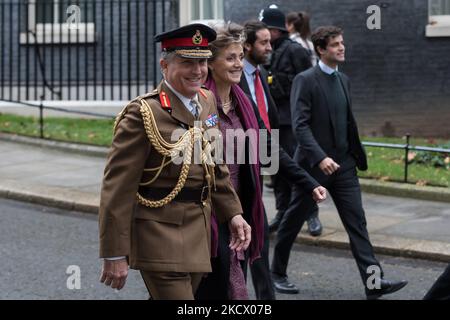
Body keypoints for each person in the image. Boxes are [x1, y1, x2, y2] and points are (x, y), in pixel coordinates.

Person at [97, 23, 252, 300]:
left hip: (198, 234)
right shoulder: (143, 114)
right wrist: (114, 252)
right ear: (164, 65)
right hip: (160, 235)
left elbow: (215, 166)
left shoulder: (205, 101)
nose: (198, 71)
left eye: (203, 62)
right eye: (187, 62)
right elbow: (117, 189)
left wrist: (233, 213)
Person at [271, 25, 408, 299]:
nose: (342, 47)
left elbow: (345, 122)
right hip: (313, 169)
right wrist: (320, 157)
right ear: (321, 49)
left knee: (357, 222)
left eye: (342, 43)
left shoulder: (343, 80)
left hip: (344, 166)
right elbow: (300, 126)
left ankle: (373, 282)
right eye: (335, 44)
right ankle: (276, 273)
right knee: (293, 220)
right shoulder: (305, 80)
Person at [195, 22, 327, 300]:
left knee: (237, 281)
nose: (237, 64)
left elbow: (268, 145)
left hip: (243, 207)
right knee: (213, 288)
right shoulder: (195, 104)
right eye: (230, 58)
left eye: (240, 57)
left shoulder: (241, 101)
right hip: (208, 212)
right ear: (211, 62)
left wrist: (307, 182)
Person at [260, 5, 322, 237]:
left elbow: (307, 86)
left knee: (298, 168)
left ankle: (311, 213)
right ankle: (282, 211)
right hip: (273, 120)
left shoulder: (296, 51)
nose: (264, 37)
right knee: (276, 171)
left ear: (276, 30)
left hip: (292, 121)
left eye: (267, 30)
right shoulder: (266, 52)